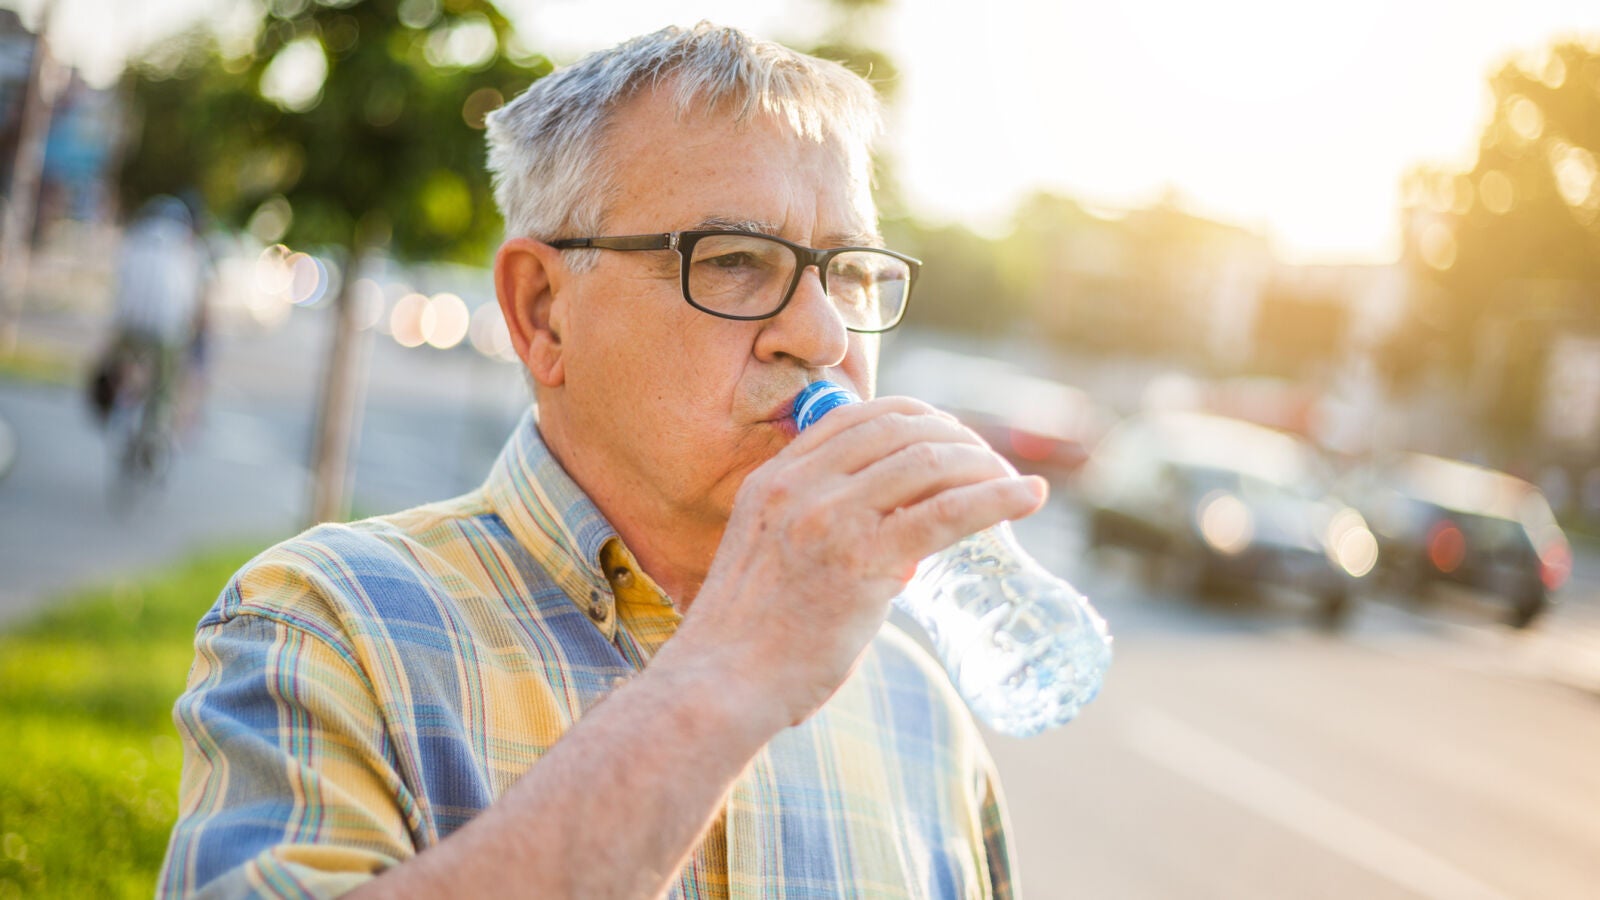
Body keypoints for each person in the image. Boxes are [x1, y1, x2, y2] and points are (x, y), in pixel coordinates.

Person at [159, 23, 1047, 898]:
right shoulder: (332, 627)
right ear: (543, 311)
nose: (821, 334)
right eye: (736, 260)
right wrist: (727, 677)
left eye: (848, 274)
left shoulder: (920, 713)